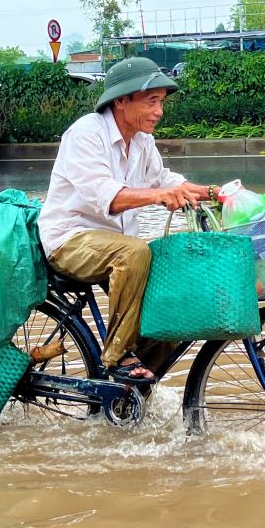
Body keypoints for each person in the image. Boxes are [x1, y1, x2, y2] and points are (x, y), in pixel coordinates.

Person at [38, 56, 217, 382]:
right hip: (70, 239)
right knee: (135, 252)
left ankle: (127, 397)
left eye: (161, 102)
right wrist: (157, 196)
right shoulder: (85, 134)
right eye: (152, 101)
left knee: (168, 314)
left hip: (115, 245)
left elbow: (162, 179)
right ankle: (117, 354)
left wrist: (210, 192)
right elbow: (108, 195)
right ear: (121, 100)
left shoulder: (142, 141)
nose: (159, 111)